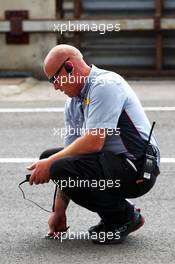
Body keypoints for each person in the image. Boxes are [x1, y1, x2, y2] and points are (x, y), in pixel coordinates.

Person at [27, 44, 160, 244]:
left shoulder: (105, 85)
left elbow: (93, 142)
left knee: (54, 163)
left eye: (55, 79)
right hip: (114, 165)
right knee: (51, 158)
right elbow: (69, 157)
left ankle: (122, 217)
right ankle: (119, 211)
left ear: (70, 67)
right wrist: (58, 213)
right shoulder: (73, 103)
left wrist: (50, 165)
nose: (55, 87)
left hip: (138, 169)